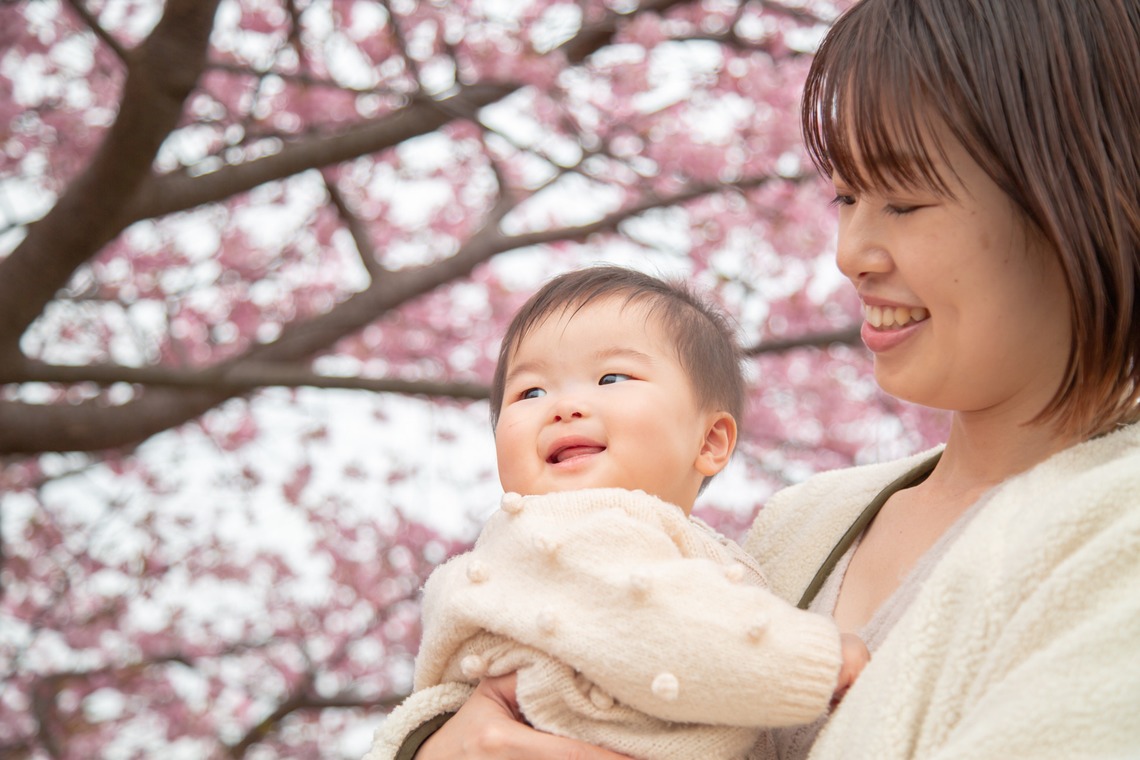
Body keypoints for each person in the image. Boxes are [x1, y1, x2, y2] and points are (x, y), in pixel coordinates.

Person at [396, 0, 1140, 758]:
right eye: (846, 196)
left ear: (1084, 192)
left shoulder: (1119, 531)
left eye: (905, 200)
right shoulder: (803, 521)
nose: (851, 252)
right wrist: (438, 741)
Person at [365, 266, 869, 760]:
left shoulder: (668, 541)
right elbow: (656, 622)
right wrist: (815, 663)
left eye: (611, 377)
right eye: (530, 392)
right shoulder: (561, 532)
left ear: (711, 440)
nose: (563, 407)